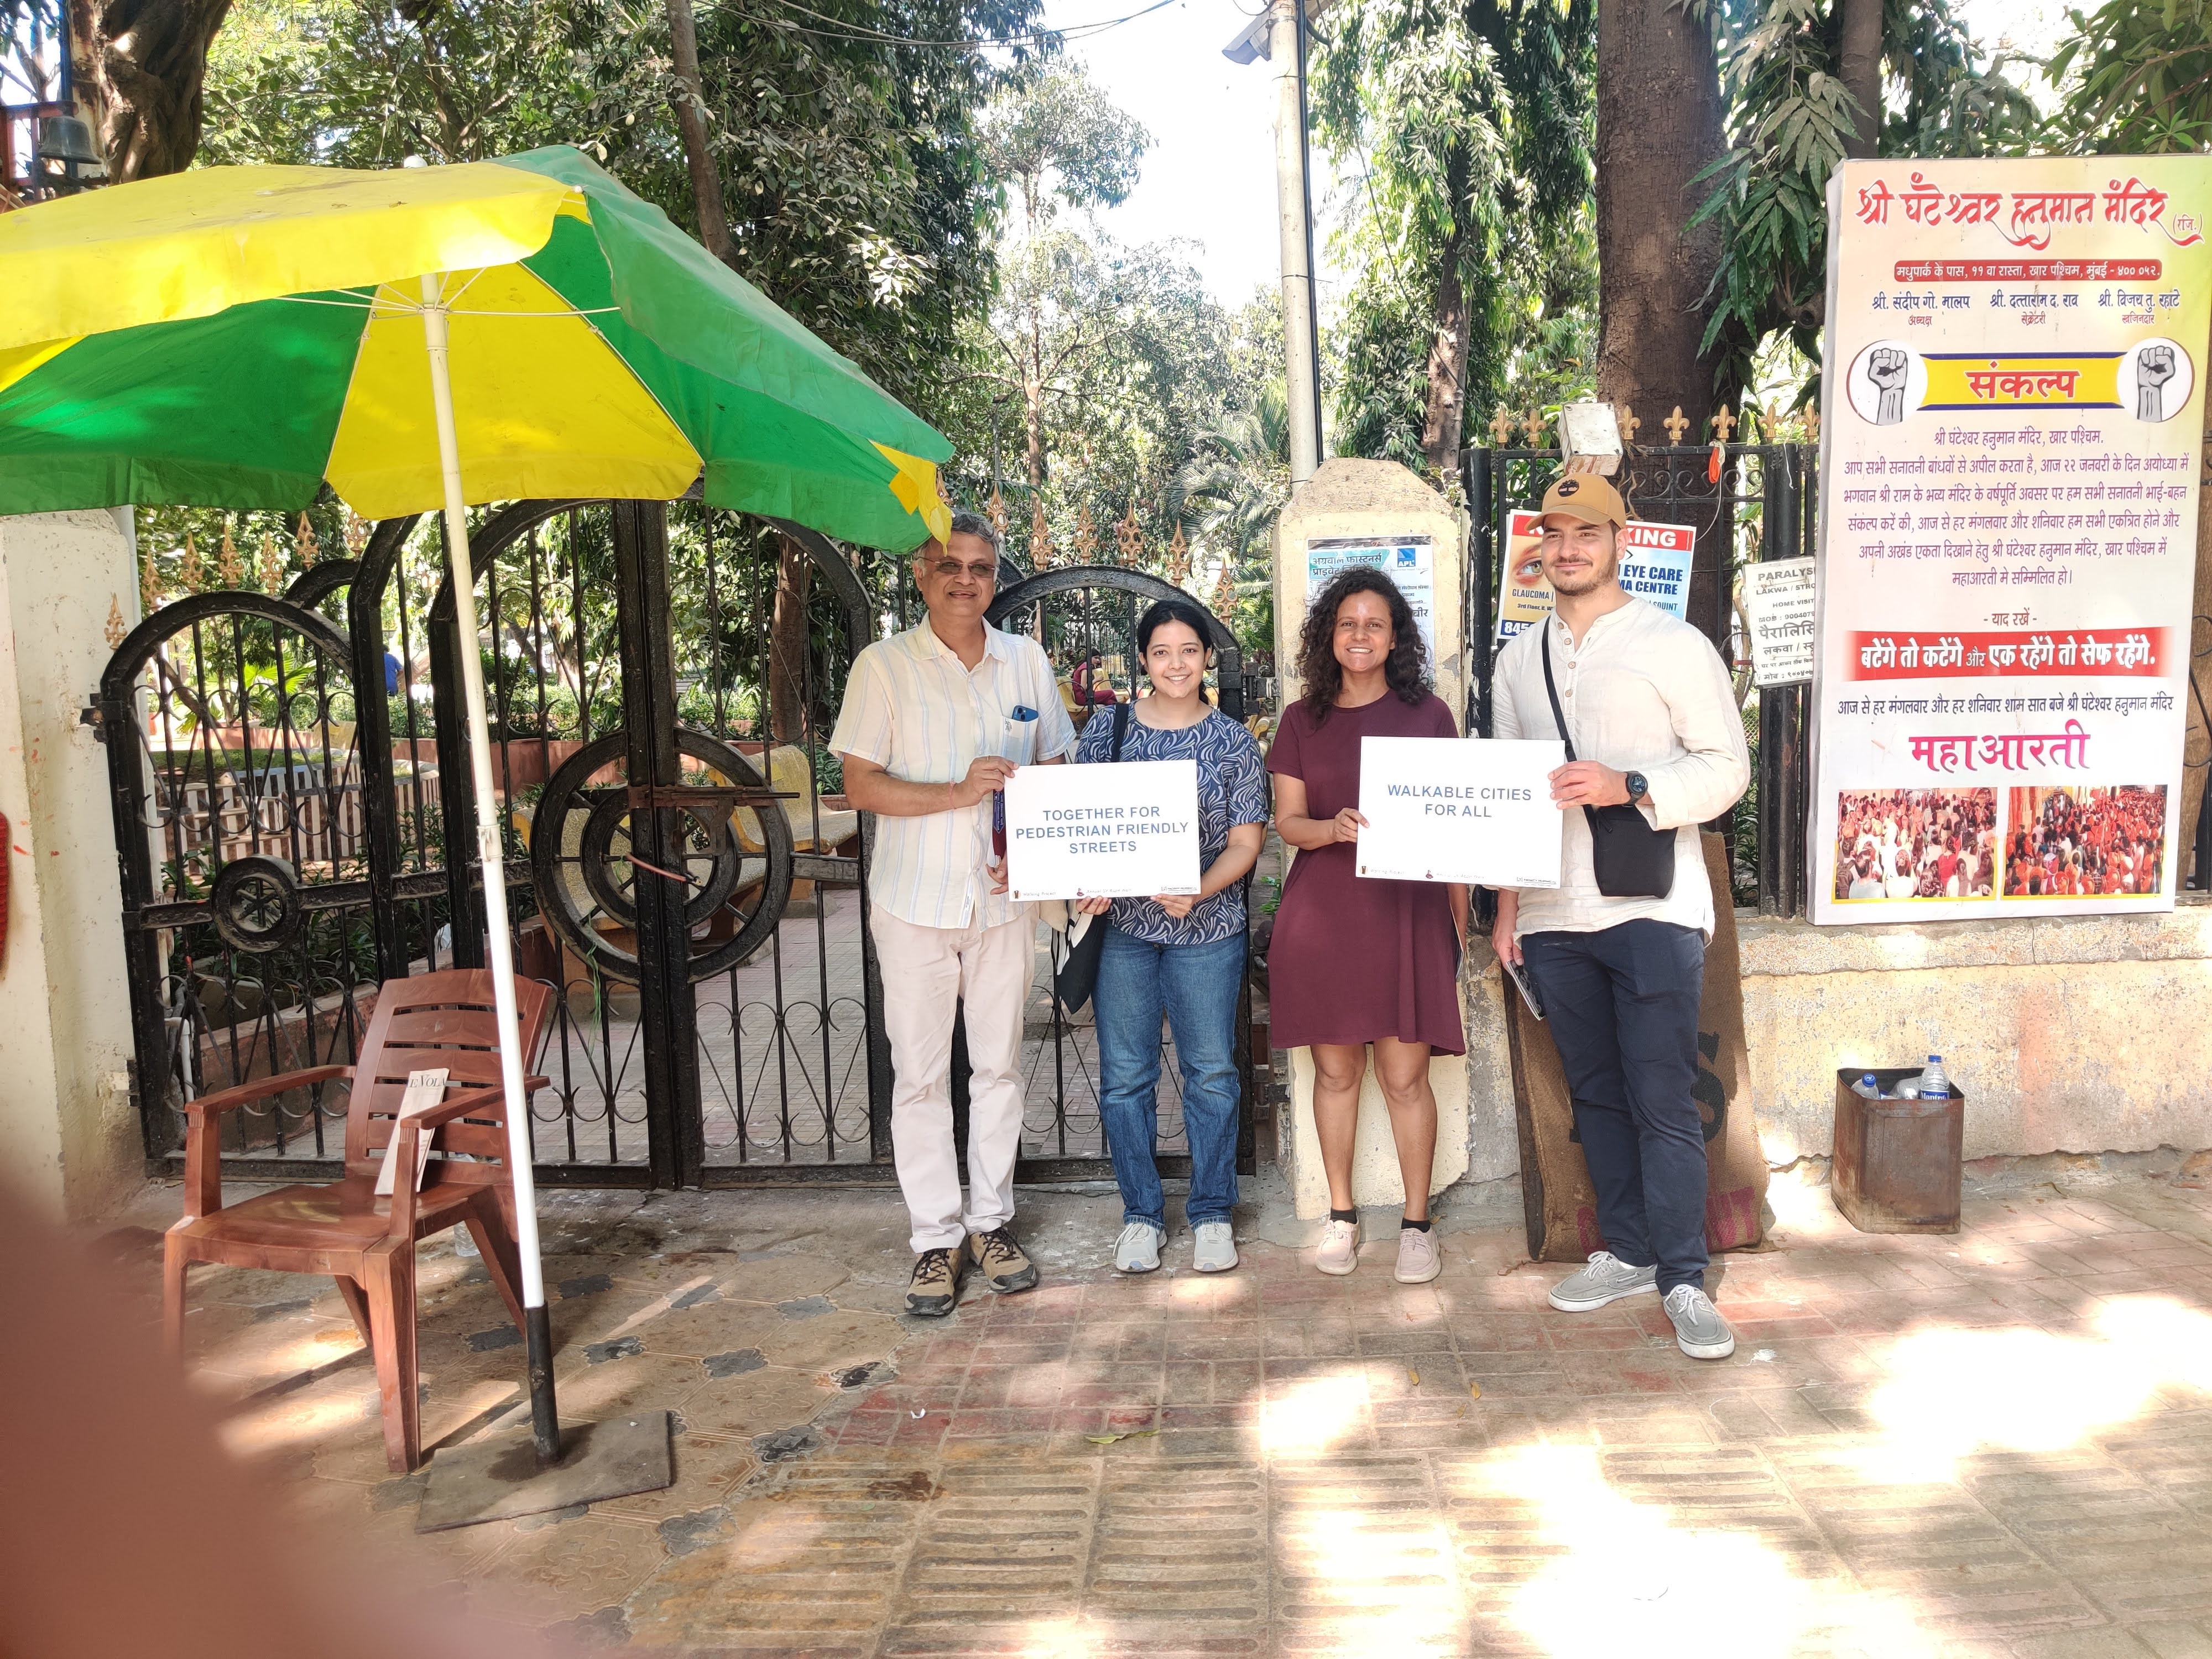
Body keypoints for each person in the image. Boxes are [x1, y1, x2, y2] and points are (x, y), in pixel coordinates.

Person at [1491, 472, 1750, 1361]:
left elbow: (1727, 770)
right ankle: (1631, 1252)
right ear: (1539, 549)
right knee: (1596, 1093)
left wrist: (1628, 783)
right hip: (1551, 911)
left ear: (1620, 542)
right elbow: (1508, 794)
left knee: (1662, 1098)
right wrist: (1507, 909)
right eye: (1555, 535)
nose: (1569, 550)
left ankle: (1685, 1278)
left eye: (1587, 534)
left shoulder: (1674, 645)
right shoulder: (1517, 661)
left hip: (1651, 907)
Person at [832, 509, 1076, 1317]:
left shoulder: (1025, 661)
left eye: (979, 567)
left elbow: (1055, 765)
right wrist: (957, 791)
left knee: (999, 1067)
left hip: (1003, 902)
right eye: (949, 565)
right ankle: (935, 1238)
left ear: (994, 577)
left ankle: (991, 1224)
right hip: (914, 903)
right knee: (921, 1076)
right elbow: (859, 785)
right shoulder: (883, 667)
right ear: (921, 575)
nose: (965, 579)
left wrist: (1036, 843)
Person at [1266, 567, 1468, 1284]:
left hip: (1407, 916)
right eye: (1347, 623)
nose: (1360, 635)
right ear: (1328, 634)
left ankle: (1416, 1226)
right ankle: (1341, 1216)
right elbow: (1288, 823)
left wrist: (1459, 928)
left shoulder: (1430, 716)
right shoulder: (1302, 719)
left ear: (1394, 637)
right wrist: (1331, 828)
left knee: (1405, 1077)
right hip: (1324, 919)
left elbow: (1455, 824)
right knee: (1335, 1071)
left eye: (1374, 624)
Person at [1072, 599, 1267, 1275]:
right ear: (1143, 659)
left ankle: (1212, 1211)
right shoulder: (1108, 730)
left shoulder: (1232, 742)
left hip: (1207, 930)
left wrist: (1201, 889)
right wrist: (1085, 881)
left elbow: (1246, 843)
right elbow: (1080, 825)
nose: (1176, 664)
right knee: (1126, 1077)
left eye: (1189, 650)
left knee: (1210, 1073)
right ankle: (1141, 1214)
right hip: (1125, 930)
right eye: (1161, 652)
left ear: (1207, 657)